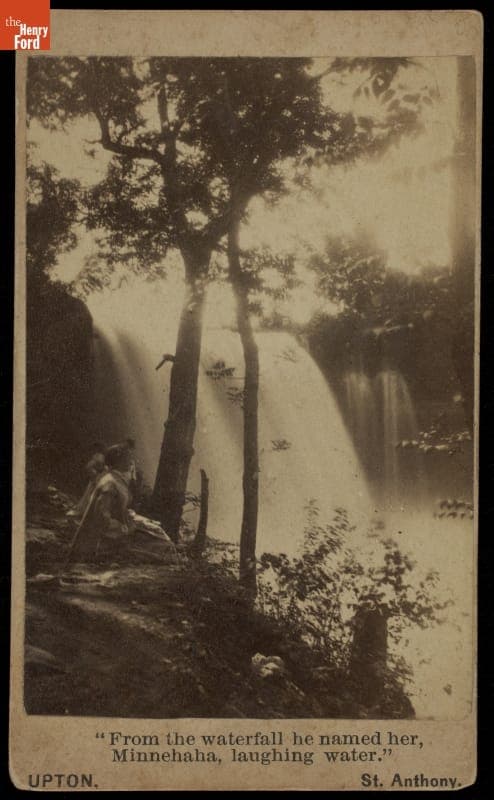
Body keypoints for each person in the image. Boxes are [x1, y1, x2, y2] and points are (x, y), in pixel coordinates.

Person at [67, 442, 135, 563]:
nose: (131, 461)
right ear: (118, 461)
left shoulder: (117, 479)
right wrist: (123, 528)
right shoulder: (110, 483)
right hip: (97, 540)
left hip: (106, 535)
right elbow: (101, 516)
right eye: (128, 457)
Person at [67, 442, 108, 519]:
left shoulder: (100, 456)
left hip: (99, 478)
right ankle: (87, 512)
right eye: (103, 448)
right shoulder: (98, 456)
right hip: (97, 478)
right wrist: (95, 475)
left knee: (93, 495)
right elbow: (88, 467)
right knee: (90, 495)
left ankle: (91, 513)